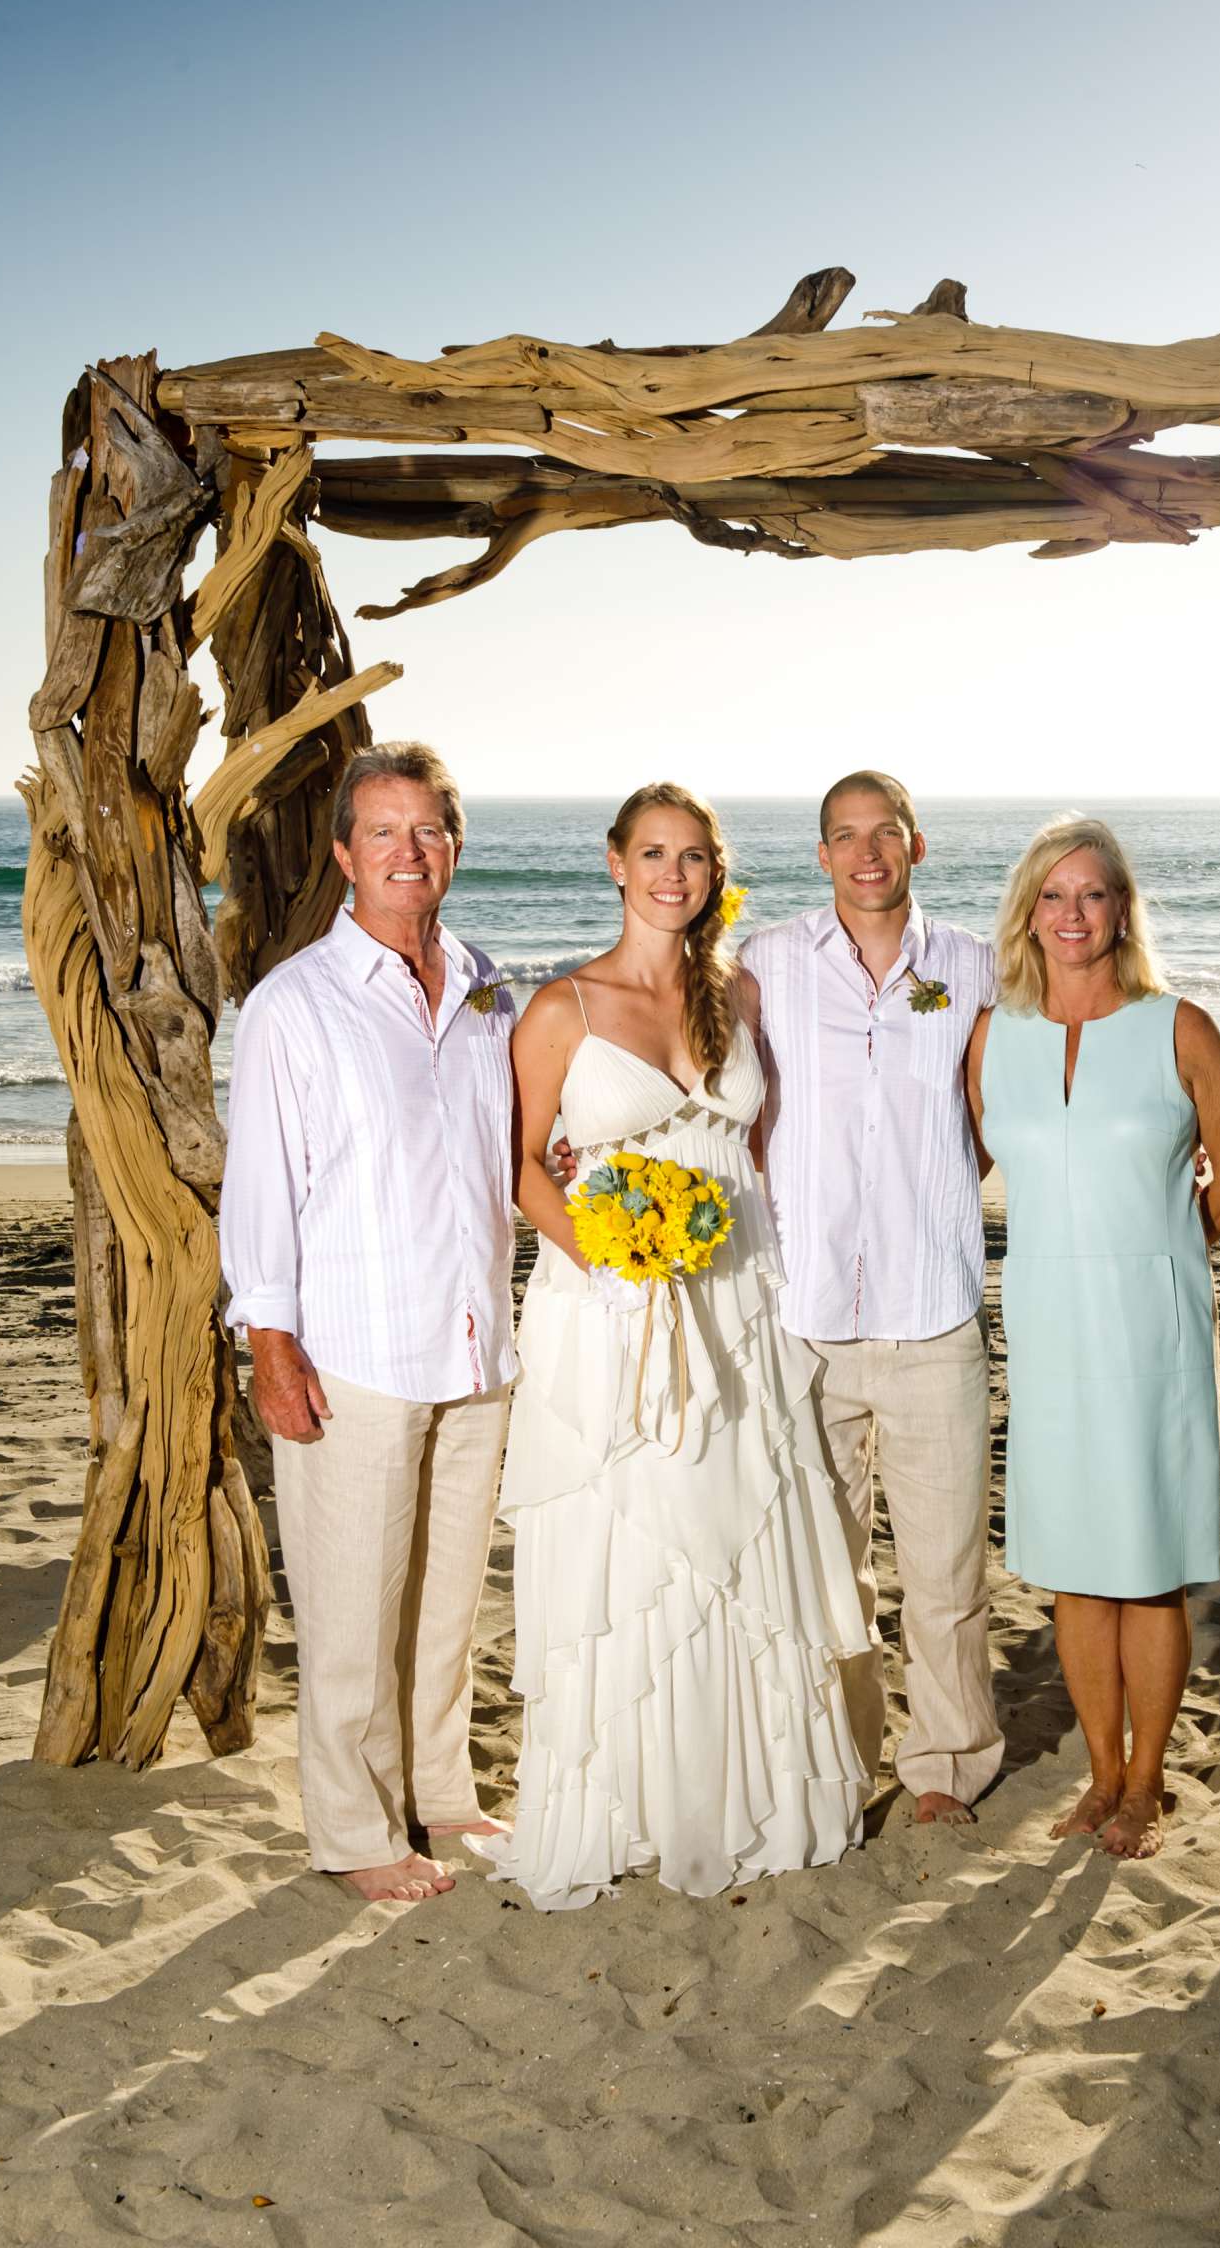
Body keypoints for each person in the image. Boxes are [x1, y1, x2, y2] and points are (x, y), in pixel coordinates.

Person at [488, 781, 869, 1910]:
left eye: (694, 856)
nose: (673, 873)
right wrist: (607, 1255)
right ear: (614, 864)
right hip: (609, 1311)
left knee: (744, 1533)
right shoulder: (561, 1006)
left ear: (713, 873)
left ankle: (754, 1792)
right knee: (634, 1549)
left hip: (738, 1291)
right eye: (653, 852)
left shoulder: (733, 992)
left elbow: (756, 1141)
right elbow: (517, 1166)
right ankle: (627, 1802)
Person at [220, 742, 518, 1904]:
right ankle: (354, 1832)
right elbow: (262, 1187)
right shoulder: (298, 1004)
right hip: (354, 1349)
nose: (409, 852)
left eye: (429, 830)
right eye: (383, 833)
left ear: (453, 846)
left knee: (446, 1595)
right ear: (344, 854)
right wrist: (270, 1343)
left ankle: (438, 1791)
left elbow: (501, 1149)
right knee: (351, 1602)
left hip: (475, 1339)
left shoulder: (489, 982)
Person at [968, 813, 1220, 1861]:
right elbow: (950, 1172)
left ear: (1121, 910)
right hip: (1046, 1316)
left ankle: (1147, 1781)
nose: (1072, 914)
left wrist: (1160, 1242)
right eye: (1052, 895)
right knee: (1075, 1565)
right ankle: (1100, 1772)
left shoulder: (1174, 1024)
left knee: (1145, 1562)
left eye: (1092, 894)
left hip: (1150, 1320)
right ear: (1027, 913)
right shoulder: (992, 1034)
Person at [741, 772, 1003, 1827]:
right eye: (843, 836)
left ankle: (945, 1765)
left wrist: (933, 1195)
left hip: (931, 1311)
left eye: (882, 833)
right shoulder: (765, 963)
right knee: (822, 1571)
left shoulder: (973, 967)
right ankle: (838, 1764)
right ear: (820, 856)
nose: (865, 853)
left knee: (945, 1572)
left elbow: (987, 1114)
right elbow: (706, 1082)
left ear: (915, 844)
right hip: (804, 1318)